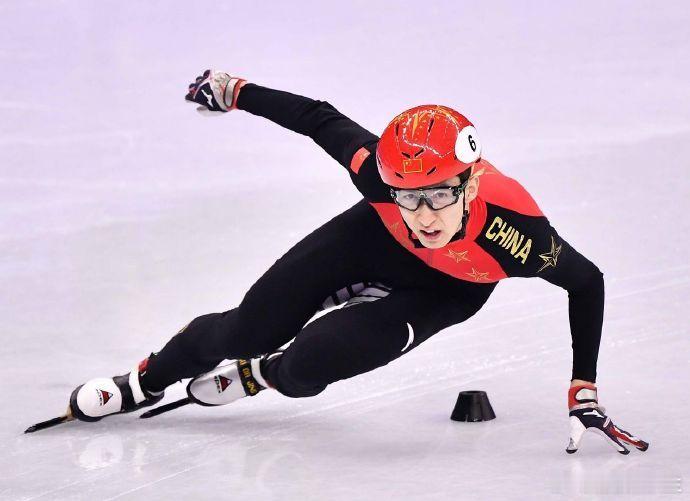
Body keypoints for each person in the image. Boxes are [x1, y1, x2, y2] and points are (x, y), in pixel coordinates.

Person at [66, 70, 648, 454]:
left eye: (439, 194)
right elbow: (319, 118)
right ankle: (144, 380)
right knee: (247, 328)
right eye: (408, 196)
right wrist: (233, 89)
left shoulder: (515, 234)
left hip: (446, 290)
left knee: (309, 363)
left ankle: (261, 376)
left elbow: (586, 282)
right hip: (371, 240)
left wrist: (583, 387)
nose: (424, 215)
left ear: (470, 183)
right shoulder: (379, 178)